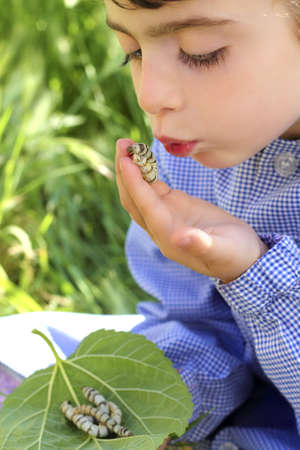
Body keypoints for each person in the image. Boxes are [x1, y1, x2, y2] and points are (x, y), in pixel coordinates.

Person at [104, 0, 300, 448]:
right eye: (131, 51)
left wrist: (253, 271)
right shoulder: (184, 164)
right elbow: (195, 324)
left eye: (201, 52)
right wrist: (152, 412)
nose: (149, 96)